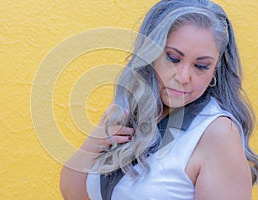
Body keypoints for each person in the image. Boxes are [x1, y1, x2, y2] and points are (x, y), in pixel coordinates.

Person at [60, 0, 258, 199]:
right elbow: (73, 193)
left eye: (201, 66)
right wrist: (93, 144)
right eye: (173, 58)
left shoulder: (217, 132)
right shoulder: (132, 108)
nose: (183, 77)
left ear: (216, 68)